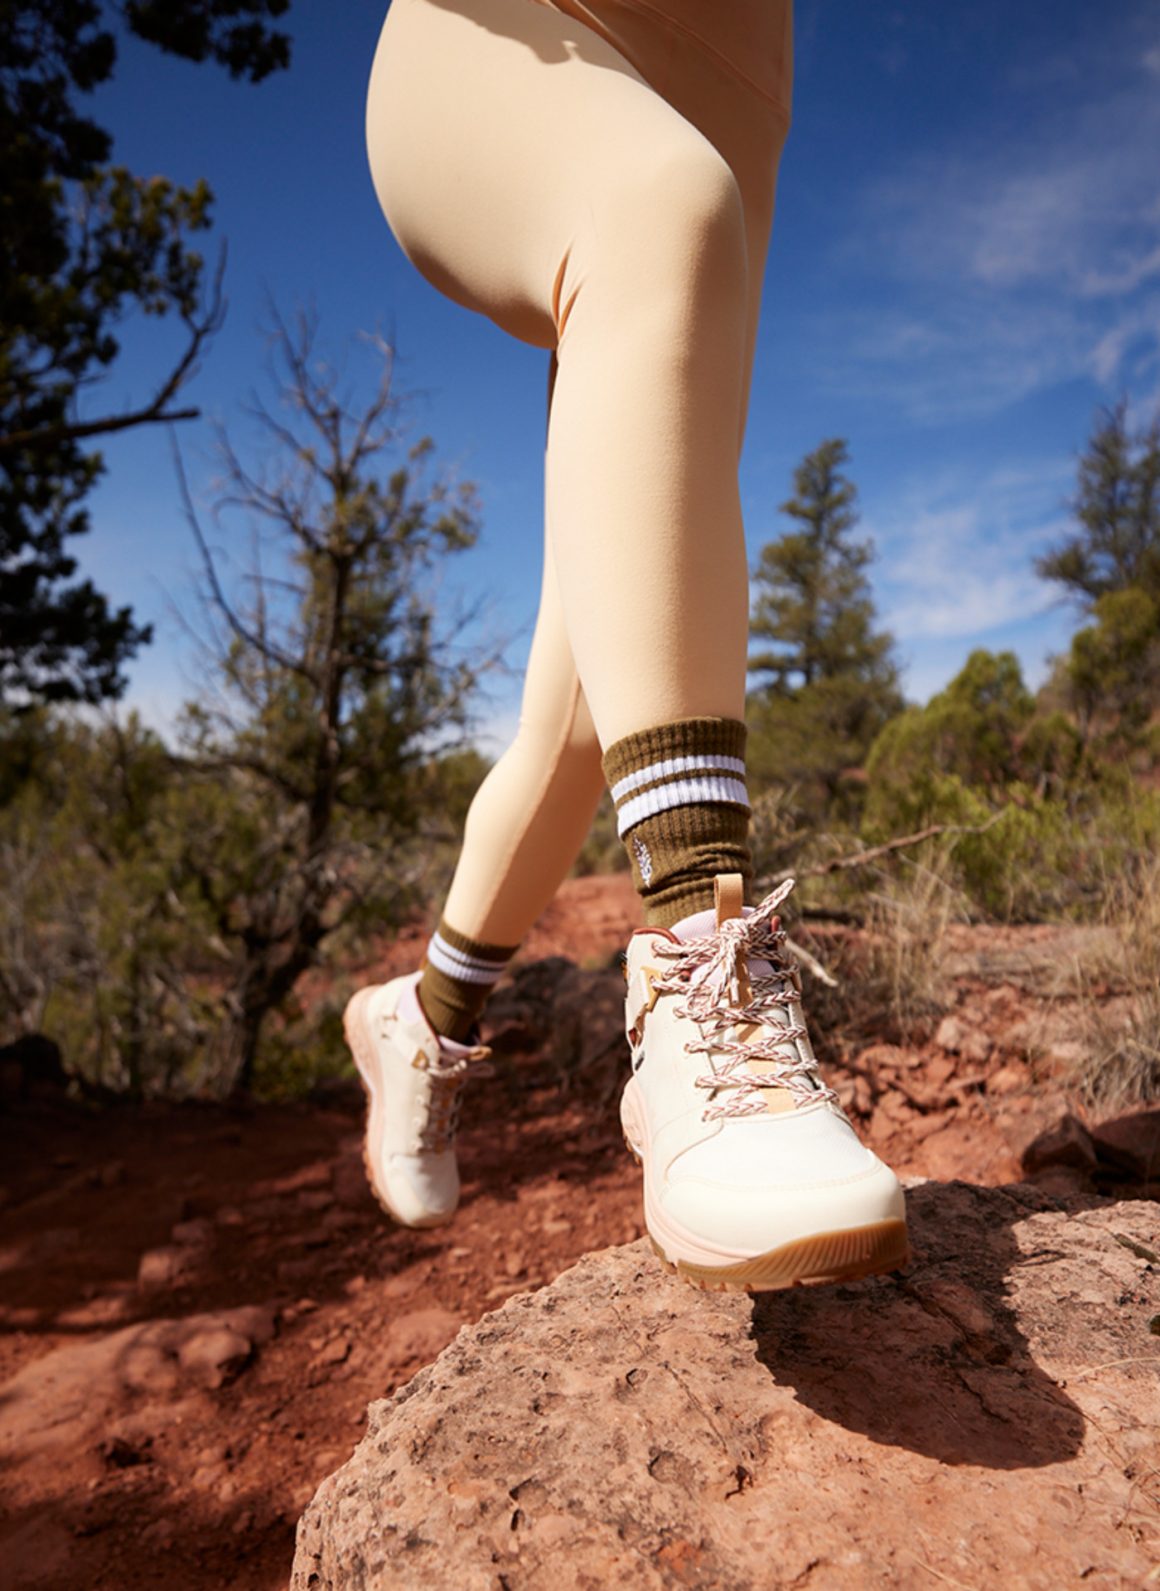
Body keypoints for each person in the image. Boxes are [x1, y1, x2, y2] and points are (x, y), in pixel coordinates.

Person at [345, 0, 909, 1290]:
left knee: (595, 709)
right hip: (509, 38)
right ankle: (698, 980)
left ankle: (421, 1020)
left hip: (732, 105)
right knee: (660, 204)